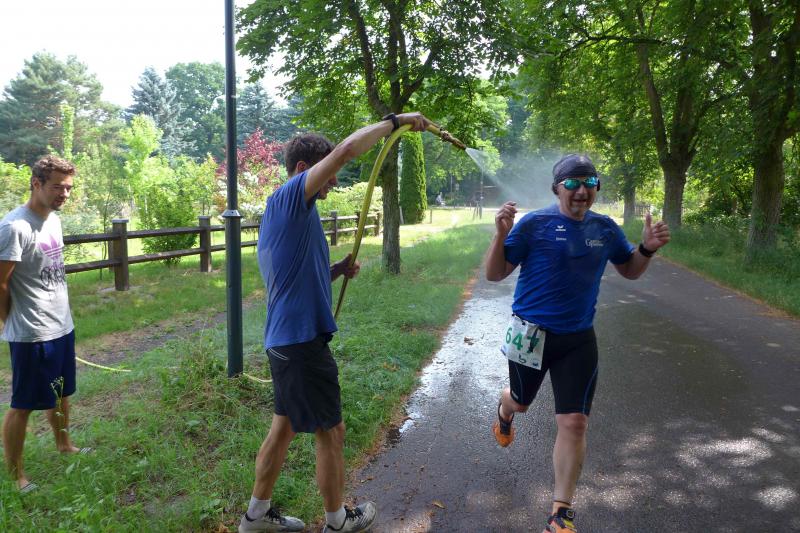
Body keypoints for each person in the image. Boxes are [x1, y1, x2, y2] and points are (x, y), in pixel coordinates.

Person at [239, 112, 432, 533]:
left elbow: (294, 275)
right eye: (327, 174)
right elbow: (345, 151)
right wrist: (395, 122)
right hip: (301, 343)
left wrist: (337, 270)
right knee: (332, 431)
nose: (334, 182)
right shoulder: (291, 196)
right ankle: (337, 521)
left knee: (283, 429)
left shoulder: (293, 212)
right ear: (303, 169)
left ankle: (255, 517)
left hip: (285, 342)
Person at [484, 154, 670, 533]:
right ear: (557, 188)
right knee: (521, 401)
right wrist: (501, 234)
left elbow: (629, 269)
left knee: (574, 422)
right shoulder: (534, 224)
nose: (581, 190)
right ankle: (505, 410)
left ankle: (560, 512)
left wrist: (646, 249)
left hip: (578, 338)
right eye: (572, 183)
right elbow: (495, 273)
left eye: (589, 182)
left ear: (597, 188)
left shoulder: (605, 228)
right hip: (531, 335)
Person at [0, 155, 87, 494]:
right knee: (23, 404)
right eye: (57, 187)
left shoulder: (53, 220)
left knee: (62, 392)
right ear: (36, 184)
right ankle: (16, 476)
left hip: (61, 325)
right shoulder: (14, 227)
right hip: (32, 333)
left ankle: (64, 445)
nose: (64, 194)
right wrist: (8, 320)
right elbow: (1, 283)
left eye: (68, 188)